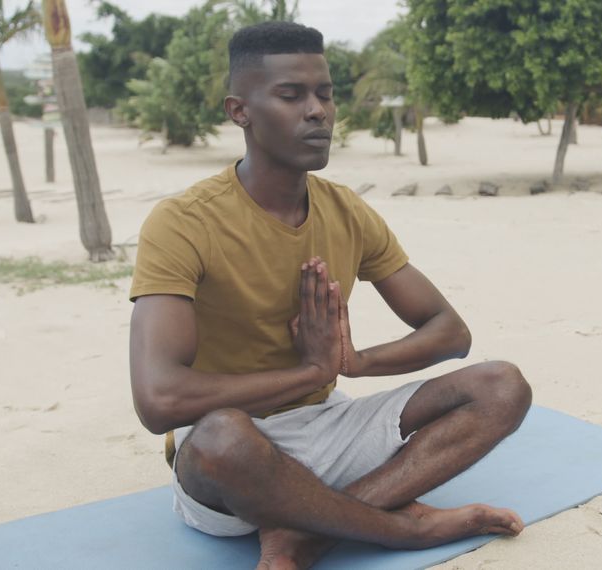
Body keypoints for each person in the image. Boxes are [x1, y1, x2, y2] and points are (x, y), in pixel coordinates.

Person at [127, 21, 533, 569]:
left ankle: (306, 536)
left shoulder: (346, 209)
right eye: (291, 95)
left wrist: (355, 362)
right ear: (239, 111)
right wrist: (309, 372)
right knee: (223, 437)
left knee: (501, 386)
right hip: (234, 463)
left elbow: (449, 331)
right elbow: (159, 402)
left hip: (328, 428)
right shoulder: (182, 222)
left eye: (325, 93)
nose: (318, 111)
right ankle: (401, 529)